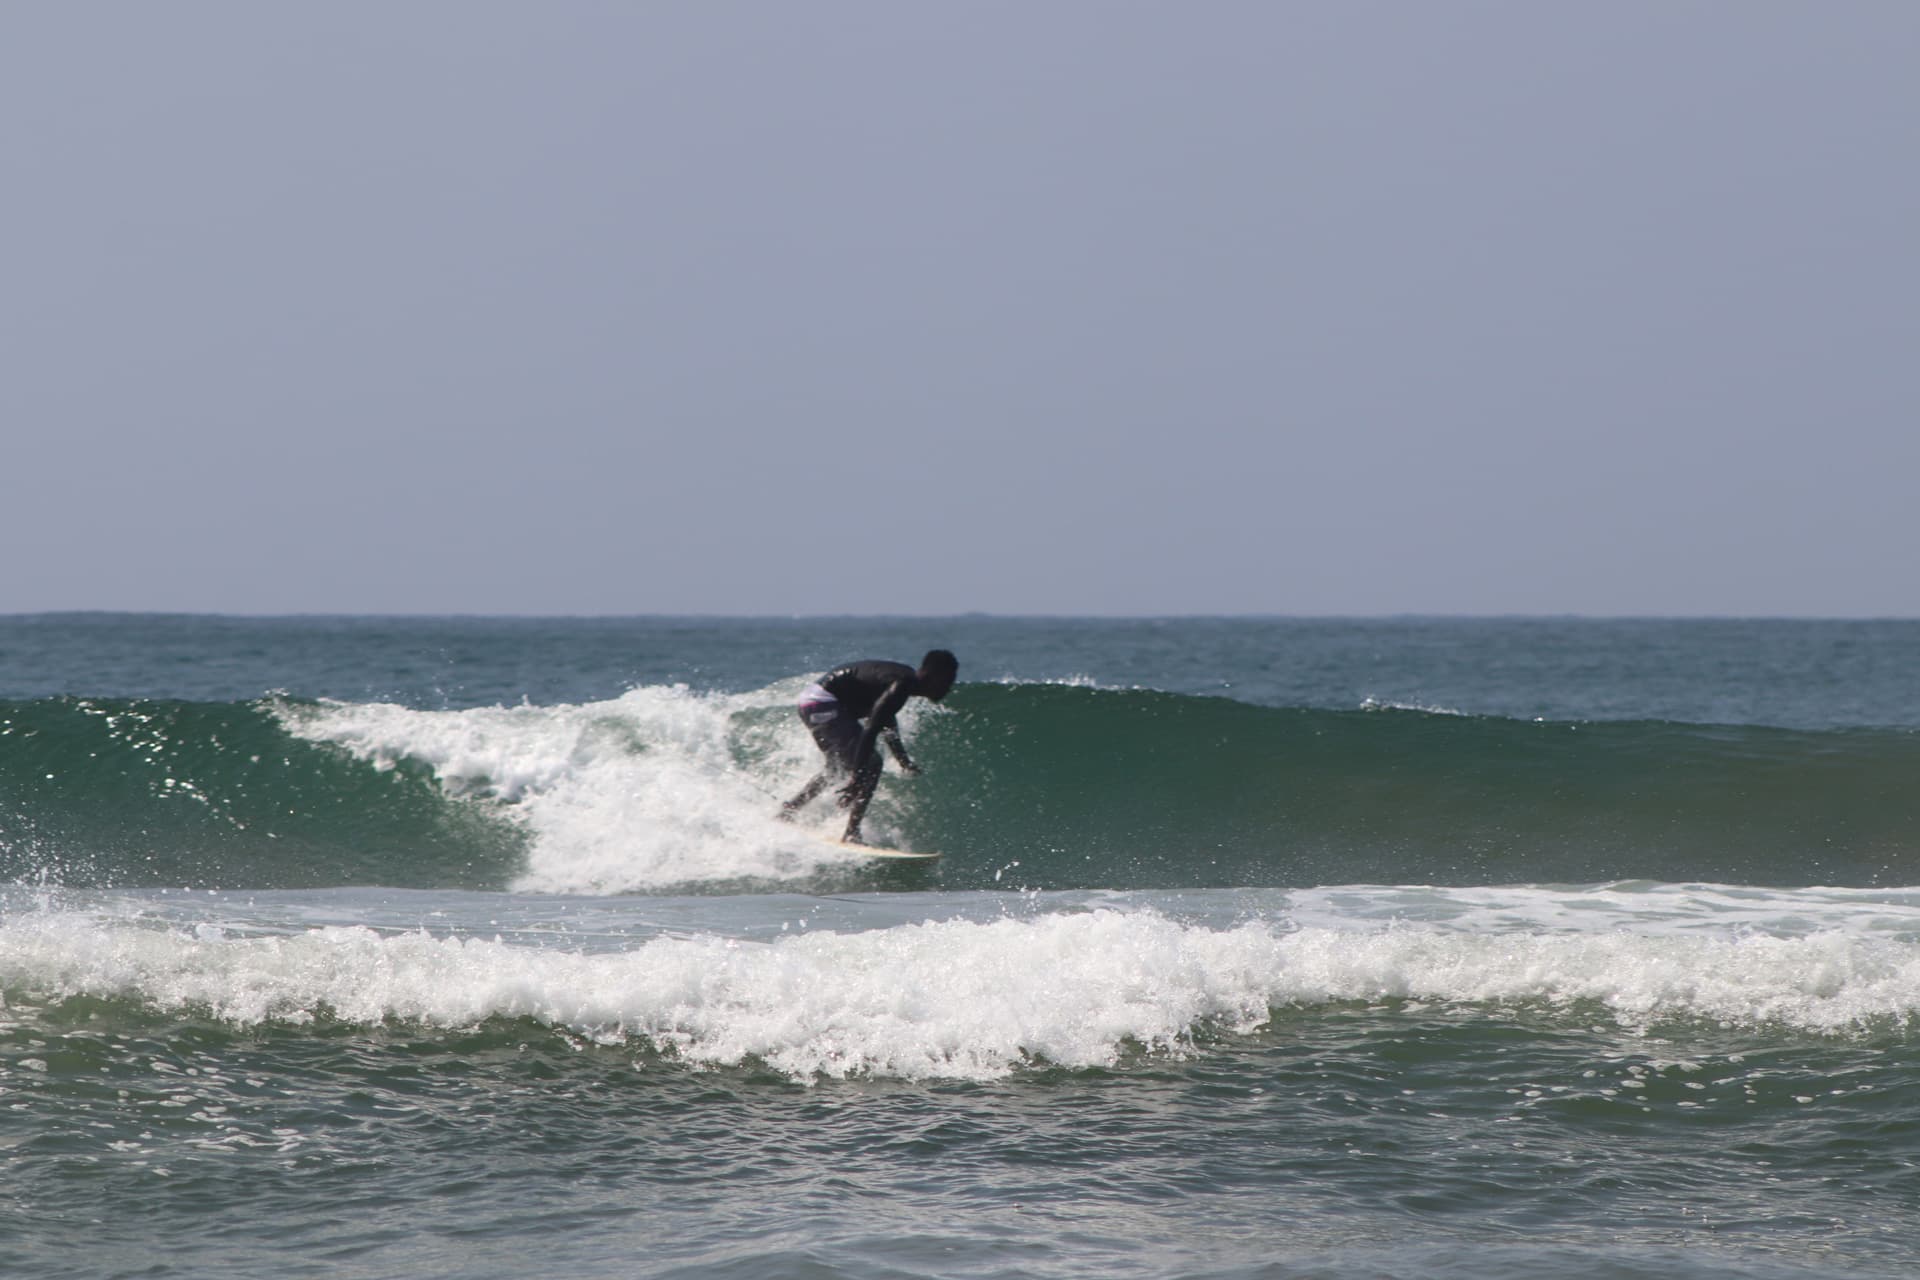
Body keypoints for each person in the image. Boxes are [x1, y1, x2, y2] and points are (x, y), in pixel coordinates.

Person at [778, 649, 958, 843]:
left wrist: (902, 760)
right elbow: (871, 730)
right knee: (872, 765)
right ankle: (851, 833)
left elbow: (886, 718)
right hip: (821, 703)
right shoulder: (902, 683)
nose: (949, 688)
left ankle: (789, 810)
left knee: (835, 767)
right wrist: (857, 776)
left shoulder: (903, 681)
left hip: (814, 701)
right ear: (932, 676)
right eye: (947, 681)